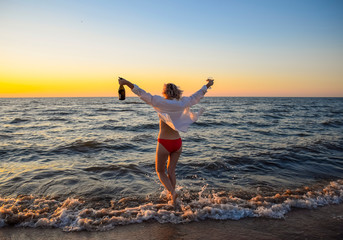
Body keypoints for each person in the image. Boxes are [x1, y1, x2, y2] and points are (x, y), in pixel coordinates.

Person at [118, 77, 214, 206]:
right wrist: (208, 85)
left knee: (160, 171)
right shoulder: (183, 103)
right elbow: (197, 95)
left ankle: (172, 193)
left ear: (165, 92)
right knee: (171, 171)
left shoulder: (159, 102)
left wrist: (125, 82)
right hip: (177, 142)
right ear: (177, 92)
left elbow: (141, 92)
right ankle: (172, 197)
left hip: (164, 142)